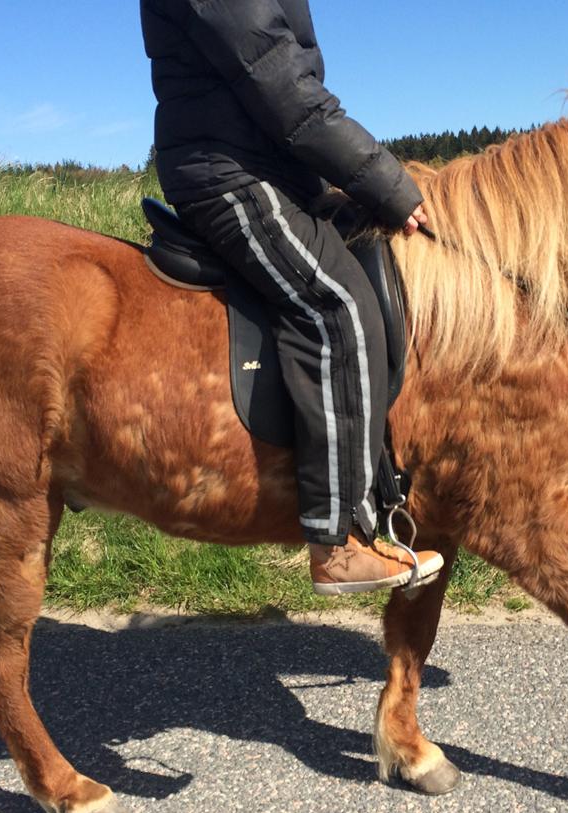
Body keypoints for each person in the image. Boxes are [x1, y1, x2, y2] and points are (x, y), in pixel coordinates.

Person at [140, 0, 445, 594]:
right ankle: (336, 544)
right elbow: (284, 88)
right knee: (338, 304)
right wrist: (389, 184)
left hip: (268, 167)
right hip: (227, 173)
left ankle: (384, 491)